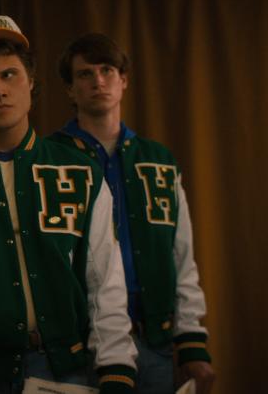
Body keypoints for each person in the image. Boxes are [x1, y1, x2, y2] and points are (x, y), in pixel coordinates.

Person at [0, 15, 138, 394]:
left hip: (66, 369)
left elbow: (104, 278)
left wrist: (116, 367)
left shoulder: (79, 170)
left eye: (9, 75)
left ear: (31, 82)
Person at [49, 33, 214, 394]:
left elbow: (181, 254)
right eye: (85, 74)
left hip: (153, 337)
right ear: (69, 89)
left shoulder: (158, 160)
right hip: (78, 345)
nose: (98, 81)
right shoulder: (49, 159)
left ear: (123, 80)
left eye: (107, 70)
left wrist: (191, 339)